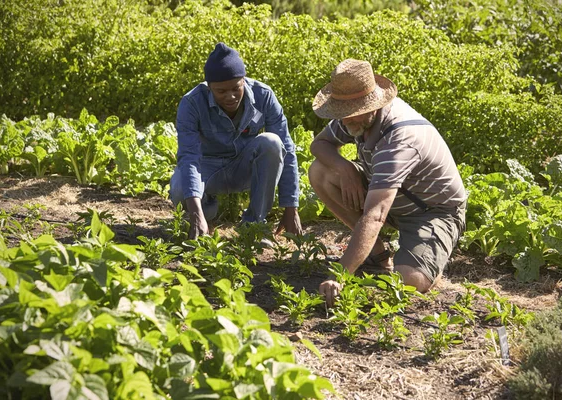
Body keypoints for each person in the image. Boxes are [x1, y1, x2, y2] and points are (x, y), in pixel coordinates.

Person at [309, 59, 467, 306]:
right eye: (342, 113)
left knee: (408, 282)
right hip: (387, 194)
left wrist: (339, 276)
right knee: (321, 171)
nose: (347, 121)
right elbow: (318, 145)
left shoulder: (399, 138)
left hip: (431, 211)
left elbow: (375, 216)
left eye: (354, 112)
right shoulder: (353, 117)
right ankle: (378, 255)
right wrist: (345, 168)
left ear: (373, 104)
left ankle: (428, 262)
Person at [170, 42, 302, 239]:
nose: (230, 96)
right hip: (208, 169)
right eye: (221, 91)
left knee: (272, 143)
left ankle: (254, 225)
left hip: (244, 167)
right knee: (180, 186)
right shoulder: (192, 103)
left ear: (244, 81)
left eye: (236, 88)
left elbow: (287, 150)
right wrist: (196, 214)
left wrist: (291, 208)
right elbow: (189, 157)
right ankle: (205, 216)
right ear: (209, 88)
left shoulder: (263, 96)